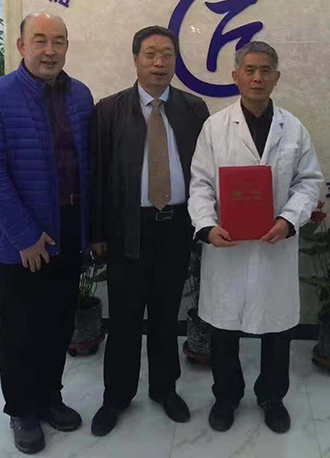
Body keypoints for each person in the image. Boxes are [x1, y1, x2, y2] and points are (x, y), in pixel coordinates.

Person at [0, 11, 93, 455]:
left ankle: (49, 397)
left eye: (58, 41)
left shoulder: (80, 95)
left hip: (69, 231)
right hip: (20, 241)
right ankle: (22, 409)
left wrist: (91, 229)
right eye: (40, 40)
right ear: (21, 46)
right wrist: (25, 235)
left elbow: (89, 167)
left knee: (59, 323)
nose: (49, 50)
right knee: (21, 329)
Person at [188, 40, 323, 434]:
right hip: (226, 244)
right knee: (224, 328)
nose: (257, 78)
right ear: (235, 76)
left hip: (274, 242)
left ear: (277, 77)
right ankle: (226, 397)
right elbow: (200, 183)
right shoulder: (215, 127)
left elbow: (309, 181)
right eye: (249, 70)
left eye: (265, 70)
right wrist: (206, 226)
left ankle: (272, 397)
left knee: (277, 328)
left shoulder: (293, 128)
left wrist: (289, 219)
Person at [89, 25, 209, 436]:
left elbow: (206, 172)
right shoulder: (109, 110)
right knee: (123, 318)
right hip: (127, 228)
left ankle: (164, 389)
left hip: (176, 226)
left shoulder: (194, 109)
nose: (159, 62)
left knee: (165, 314)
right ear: (136, 59)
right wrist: (97, 233)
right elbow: (97, 175)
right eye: (151, 54)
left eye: (167, 54)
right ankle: (116, 397)